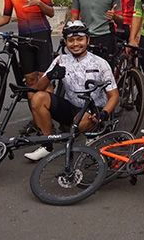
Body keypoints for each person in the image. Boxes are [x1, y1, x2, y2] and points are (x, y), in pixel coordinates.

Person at [25, 20, 119, 161]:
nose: (75, 44)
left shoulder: (100, 63)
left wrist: (105, 113)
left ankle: (94, 136)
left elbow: (114, 96)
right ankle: (47, 145)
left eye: (80, 39)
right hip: (73, 108)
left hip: (94, 110)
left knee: (82, 121)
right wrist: (51, 75)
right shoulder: (61, 60)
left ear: (88, 40)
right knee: (38, 98)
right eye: (71, 40)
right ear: (65, 42)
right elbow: (38, 88)